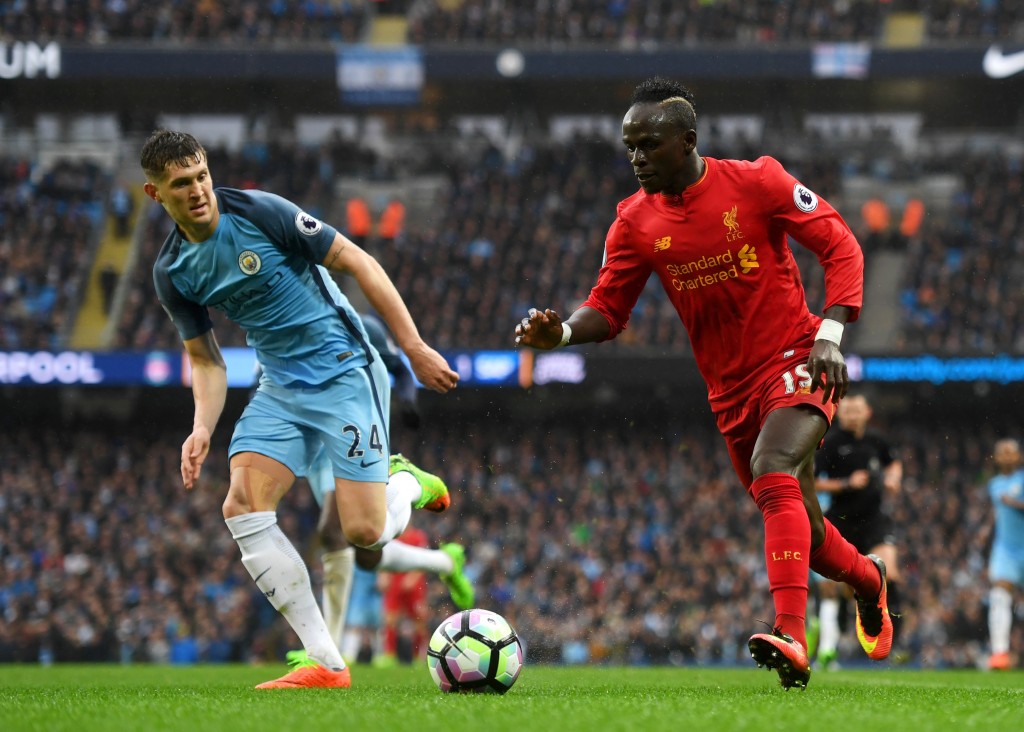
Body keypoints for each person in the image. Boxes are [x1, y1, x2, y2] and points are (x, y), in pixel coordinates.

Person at [514, 77, 892, 689]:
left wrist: (830, 334)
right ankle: (869, 580)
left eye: (648, 144)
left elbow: (842, 246)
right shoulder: (634, 222)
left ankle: (792, 636)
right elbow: (607, 311)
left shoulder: (758, 181)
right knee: (812, 532)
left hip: (799, 355)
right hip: (730, 392)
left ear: (687, 141)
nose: (636, 157)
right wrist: (557, 336)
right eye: (629, 146)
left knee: (775, 471)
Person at [141, 129, 459, 689]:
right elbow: (207, 361)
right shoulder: (173, 272)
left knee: (364, 534)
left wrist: (412, 348)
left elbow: (359, 262)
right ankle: (328, 664)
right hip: (280, 387)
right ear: (155, 194)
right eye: (180, 184)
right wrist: (201, 427)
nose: (196, 191)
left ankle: (405, 482)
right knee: (241, 504)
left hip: (343, 371)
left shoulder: (260, 212)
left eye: (200, 177)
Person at [812, 393, 903, 669]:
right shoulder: (830, 442)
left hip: (874, 521)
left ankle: (891, 642)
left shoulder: (878, 440)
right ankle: (829, 650)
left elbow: (894, 462)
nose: (852, 414)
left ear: (867, 412)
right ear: (839, 414)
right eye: (847, 410)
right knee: (833, 587)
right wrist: (845, 484)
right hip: (841, 521)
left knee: (890, 572)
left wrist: (893, 478)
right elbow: (812, 481)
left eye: (857, 410)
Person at [985, 438, 1024, 670]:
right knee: (999, 594)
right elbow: (1002, 508)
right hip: (1006, 549)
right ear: (997, 458)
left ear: (1018, 456)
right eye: (1003, 453)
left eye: (1011, 452)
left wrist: (1013, 502)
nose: (1007, 456)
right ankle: (1000, 654)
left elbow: (1009, 504)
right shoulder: (995, 484)